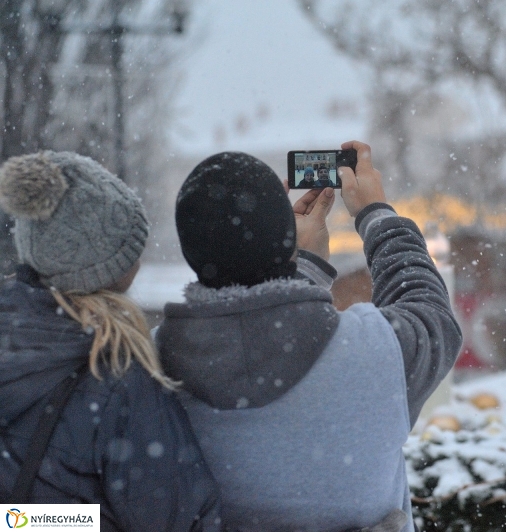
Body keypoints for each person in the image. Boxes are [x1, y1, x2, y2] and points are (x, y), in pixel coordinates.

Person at [155, 142, 463, 531]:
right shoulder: (375, 352)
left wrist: (298, 270)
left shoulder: (141, 365)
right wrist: (376, 214)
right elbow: (432, 316)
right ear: (282, 237)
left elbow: (250, 333)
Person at [0, 151, 221, 531]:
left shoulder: (17, 338)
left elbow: (20, 518)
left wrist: (38, 520)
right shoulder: (117, 377)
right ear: (113, 266)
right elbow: (178, 518)